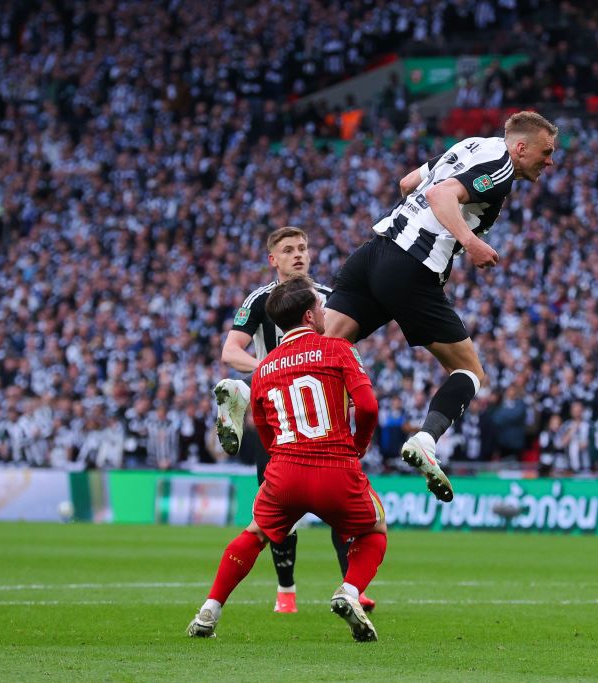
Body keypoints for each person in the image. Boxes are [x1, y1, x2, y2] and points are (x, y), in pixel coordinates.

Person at [324, 111, 558, 501]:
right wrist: (470, 241)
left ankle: (253, 388)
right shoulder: (500, 168)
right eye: (546, 152)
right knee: (469, 371)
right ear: (521, 147)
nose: (549, 161)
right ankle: (426, 441)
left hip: (374, 252)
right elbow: (439, 195)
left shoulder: (471, 146)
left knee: (320, 349)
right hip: (411, 266)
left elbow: (408, 183)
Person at [188, 276, 386, 642]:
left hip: (284, 471)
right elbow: (369, 408)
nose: (325, 311)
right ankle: (349, 591)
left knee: (255, 534)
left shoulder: (264, 367)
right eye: (321, 306)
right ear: (310, 315)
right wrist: (358, 446)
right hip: (335, 466)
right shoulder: (338, 348)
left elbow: (264, 432)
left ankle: (209, 610)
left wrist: (279, 460)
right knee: (374, 529)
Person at [211, 226, 373, 613]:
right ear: (273, 259)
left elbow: (348, 348)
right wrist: (272, 368)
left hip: (327, 415)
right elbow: (231, 351)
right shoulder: (260, 300)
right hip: (282, 417)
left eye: (302, 248)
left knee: (341, 509)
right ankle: (286, 589)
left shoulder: (330, 299)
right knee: (278, 517)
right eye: (288, 250)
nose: (298, 255)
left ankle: (351, 586)